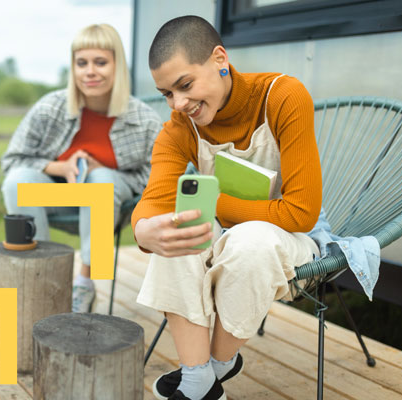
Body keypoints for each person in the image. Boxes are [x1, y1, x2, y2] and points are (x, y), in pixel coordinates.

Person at [131, 16, 322, 400]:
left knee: (249, 241)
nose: (179, 104)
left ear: (220, 58)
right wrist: (143, 230)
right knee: (177, 230)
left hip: (288, 242)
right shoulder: (179, 128)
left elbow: (301, 213)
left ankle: (214, 367)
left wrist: (212, 200)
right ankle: (198, 377)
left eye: (185, 85)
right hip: (221, 238)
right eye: (167, 93)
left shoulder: (283, 96)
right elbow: (154, 198)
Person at [1, 24, 162, 313]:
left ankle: (84, 285)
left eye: (100, 62)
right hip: (55, 198)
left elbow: (159, 174)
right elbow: (12, 160)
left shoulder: (144, 120)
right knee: (17, 181)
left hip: (112, 203)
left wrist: (104, 170)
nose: (90, 71)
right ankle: (40, 277)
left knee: (101, 182)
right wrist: (58, 167)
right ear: (73, 67)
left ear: (118, 66)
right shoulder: (49, 108)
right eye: (82, 63)